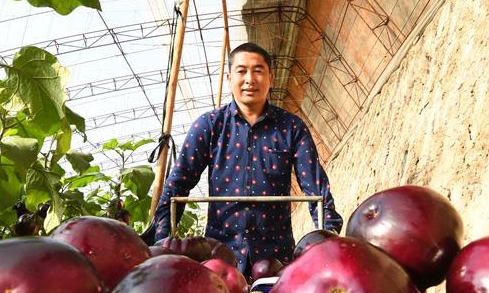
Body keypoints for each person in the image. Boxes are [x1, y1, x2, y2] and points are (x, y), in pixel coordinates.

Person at [143, 42, 343, 274]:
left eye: (258, 70)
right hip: (220, 257)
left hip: (276, 260)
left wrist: (329, 242)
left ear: (271, 77)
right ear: (229, 78)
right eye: (241, 71)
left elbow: (316, 189)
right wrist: (163, 244)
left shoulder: (291, 128)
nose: (250, 79)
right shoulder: (209, 126)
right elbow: (177, 185)